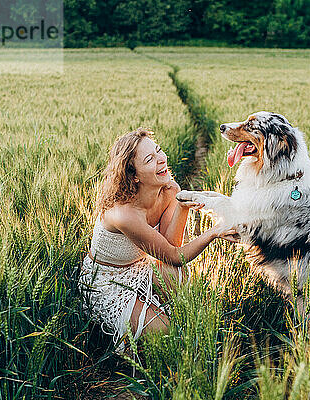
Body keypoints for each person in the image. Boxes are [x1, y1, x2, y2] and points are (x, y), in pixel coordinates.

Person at [79, 127, 237, 354]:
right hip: (105, 281)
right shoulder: (124, 214)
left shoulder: (169, 189)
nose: (161, 159)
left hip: (137, 269)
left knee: (177, 275)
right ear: (134, 175)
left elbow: (170, 249)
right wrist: (214, 232)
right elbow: (175, 255)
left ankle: (154, 314)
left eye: (159, 151)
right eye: (149, 159)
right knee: (165, 332)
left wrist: (181, 204)